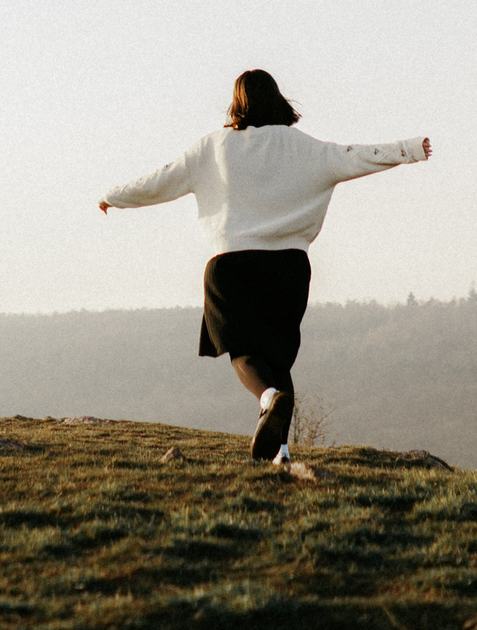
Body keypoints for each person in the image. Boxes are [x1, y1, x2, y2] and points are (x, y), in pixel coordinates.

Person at [99, 70, 430, 463]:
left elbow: (161, 180)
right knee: (277, 358)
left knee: (243, 351)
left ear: (237, 103)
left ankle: (267, 398)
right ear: (279, 100)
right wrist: (408, 148)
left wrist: (114, 196)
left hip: (232, 264)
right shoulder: (304, 148)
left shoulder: (213, 147)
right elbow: (354, 156)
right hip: (290, 267)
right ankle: (281, 453)